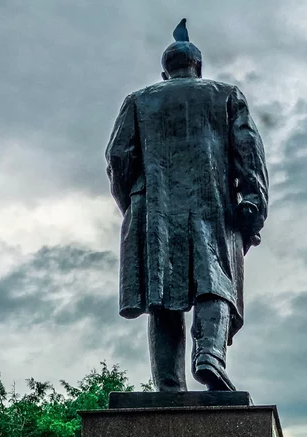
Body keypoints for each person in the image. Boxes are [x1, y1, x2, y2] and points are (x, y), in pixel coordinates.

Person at [105, 22, 268, 391]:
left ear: (166, 73)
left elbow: (118, 157)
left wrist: (132, 204)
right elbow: (249, 154)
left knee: (160, 296)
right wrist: (253, 203)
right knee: (216, 281)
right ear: (199, 68)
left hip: (153, 207)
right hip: (212, 203)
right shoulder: (225, 95)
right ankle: (209, 352)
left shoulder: (138, 100)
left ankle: (168, 385)